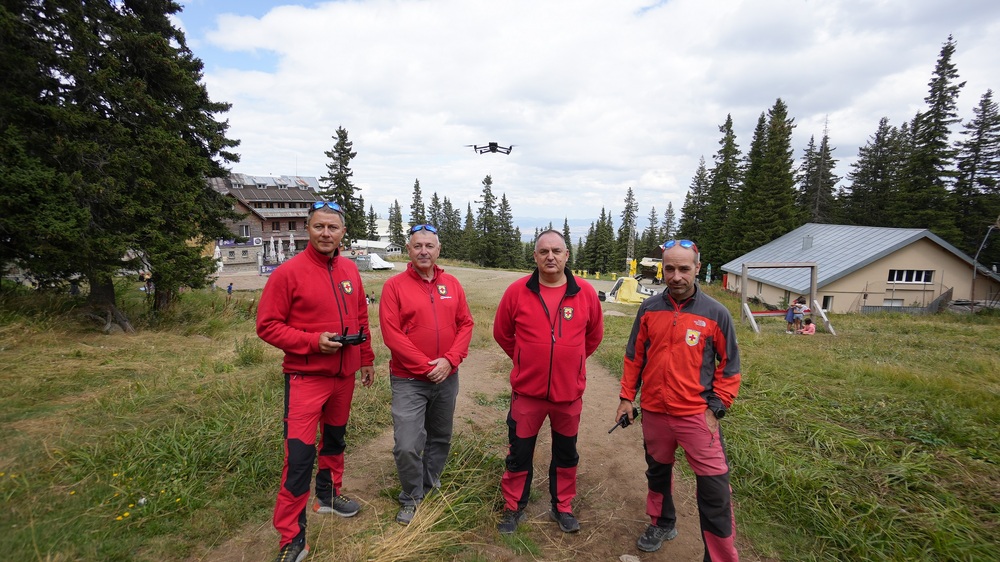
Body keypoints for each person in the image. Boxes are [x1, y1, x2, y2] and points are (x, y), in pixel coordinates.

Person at [256, 201, 376, 562]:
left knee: (336, 439)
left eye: (333, 228)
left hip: (344, 377)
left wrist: (366, 358)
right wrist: (312, 342)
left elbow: (360, 318)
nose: (326, 233)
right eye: (319, 227)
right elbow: (267, 326)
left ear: (343, 232)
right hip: (306, 377)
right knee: (299, 457)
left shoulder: (350, 270)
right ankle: (292, 538)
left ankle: (328, 495)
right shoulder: (288, 273)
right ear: (308, 230)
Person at [616, 239, 741, 560]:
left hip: (698, 417)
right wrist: (627, 398)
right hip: (656, 415)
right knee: (657, 473)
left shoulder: (717, 314)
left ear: (697, 269)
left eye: (684, 269)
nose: (676, 276)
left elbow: (730, 366)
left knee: (715, 491)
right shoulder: (648, 309)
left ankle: (720, 557)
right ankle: (662, 522)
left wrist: (717, 409)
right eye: (669, 268)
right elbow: (634, 357)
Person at [493, 229, 604, 535]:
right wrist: (525, 359)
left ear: (567, 256)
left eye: (557, 251)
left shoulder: (585, 292)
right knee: (519, 452)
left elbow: (593, 336)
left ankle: (563, 506)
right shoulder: (517, 291)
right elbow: (502, 333)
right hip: (527, 394)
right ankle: (513, 507)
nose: (550, 257)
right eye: (544, 252)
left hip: (568, 395)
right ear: (535, 257)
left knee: (567, 453)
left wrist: (574, 361)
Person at [379, 224, 474, 525]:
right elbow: (392, 335)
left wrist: (449, 360)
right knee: (407, 443)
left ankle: (429, 486)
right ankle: (411, 496)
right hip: (409, 379)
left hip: (447, 376)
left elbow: (466, 324)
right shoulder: (394, 287)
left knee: (440, 437)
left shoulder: (453, 285)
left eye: (429, 246)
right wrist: (427, 367)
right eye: (417, 245)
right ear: (408, 250)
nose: (423, 251)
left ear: (438, 249)